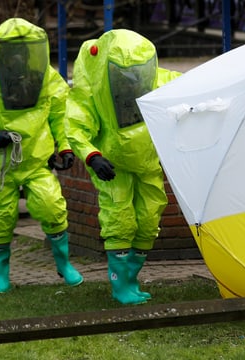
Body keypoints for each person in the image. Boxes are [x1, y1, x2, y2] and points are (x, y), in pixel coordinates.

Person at [0, 18, 83, 294]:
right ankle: (2, 279)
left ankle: (64, 265)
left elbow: (62, 114)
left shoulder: (44, 75)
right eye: (13, 51)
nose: (18, 57)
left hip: (36, 158)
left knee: (51, 206)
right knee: (0, 218)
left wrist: (66, 146)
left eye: (24, 51)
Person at [65, 29, 180, 305]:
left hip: (146, 162)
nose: (130, 79)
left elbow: (189, 89)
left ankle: (130, 279)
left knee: (150, 218)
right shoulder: (94, 89)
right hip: (113, 166)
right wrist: (93, 156)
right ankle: (120, 287)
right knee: (120, 219)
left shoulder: (155, 78)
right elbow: (76, 127)